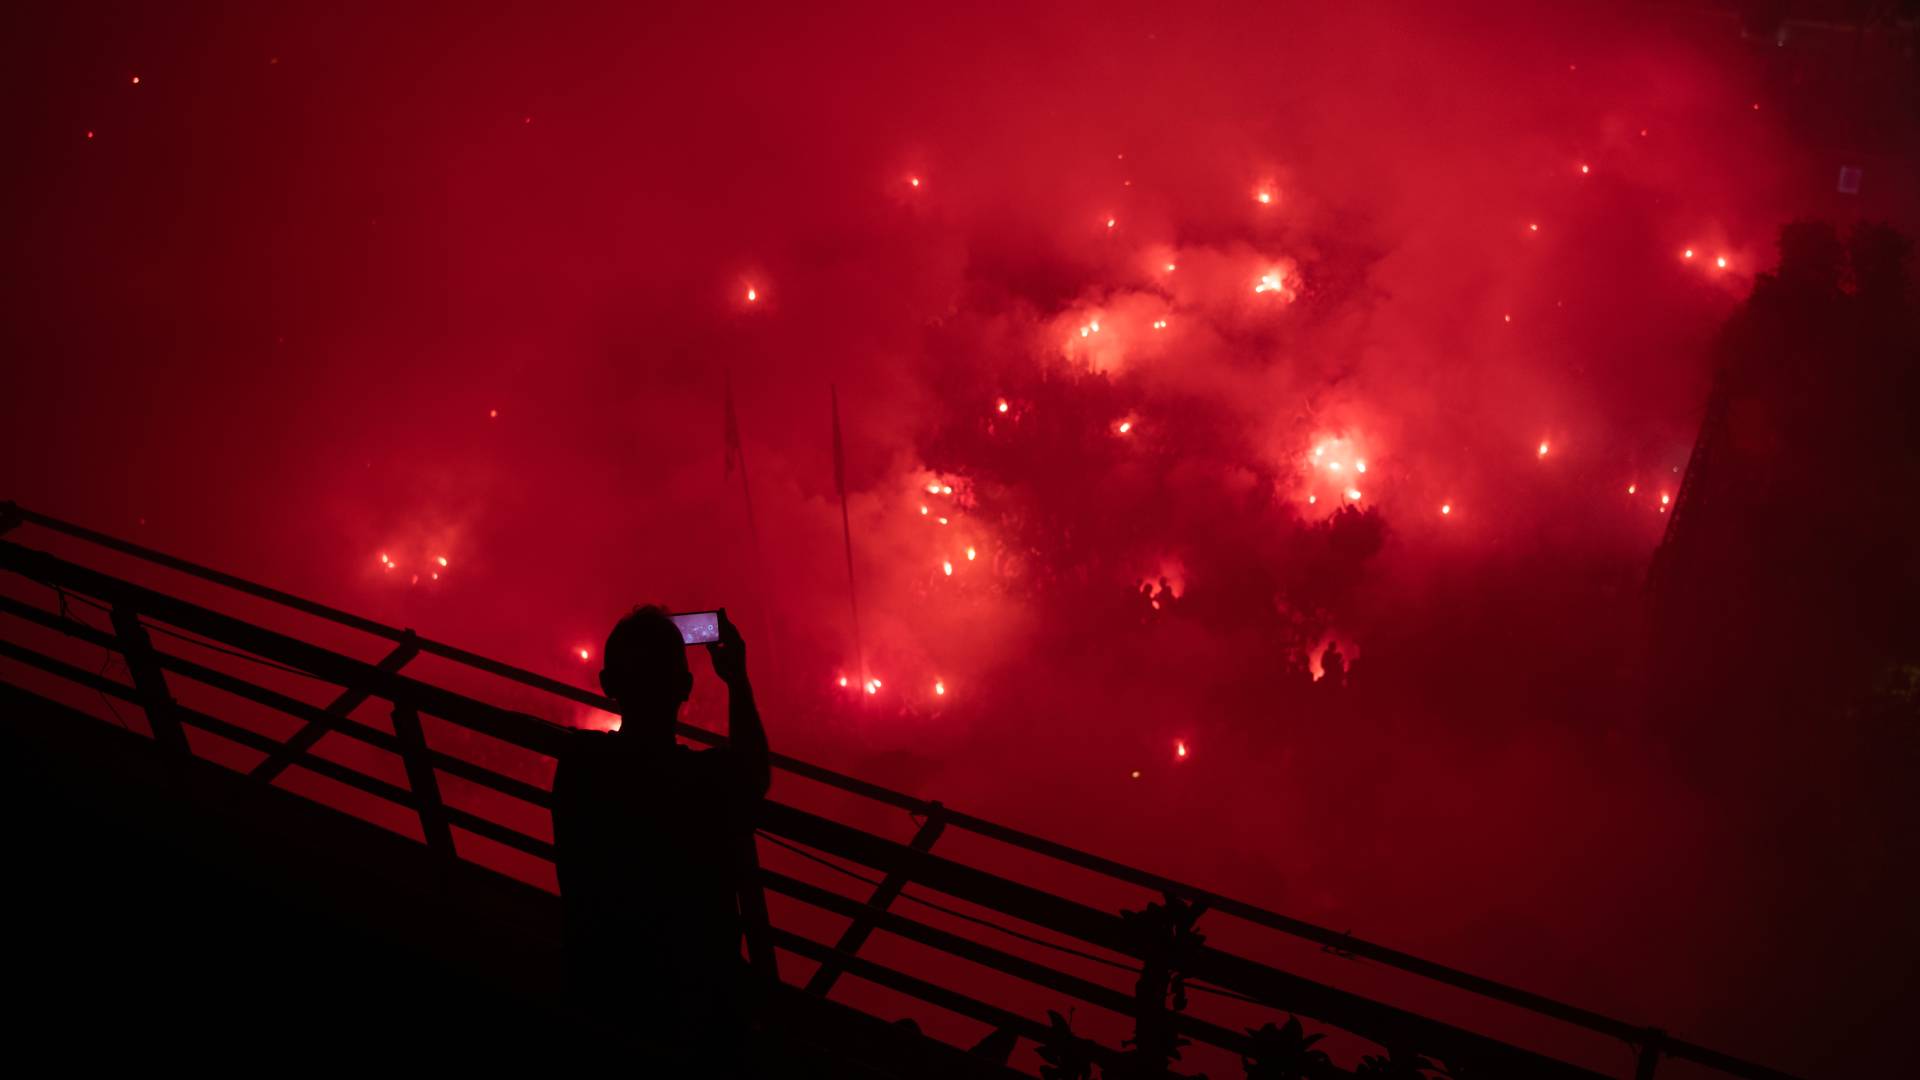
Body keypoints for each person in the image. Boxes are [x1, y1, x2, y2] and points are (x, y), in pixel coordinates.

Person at [551, 606, 771, 1072]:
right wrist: (737, 679)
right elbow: (753, 772)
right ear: (686, 687)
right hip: (697, 1006)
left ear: (608, 684)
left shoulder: (579, 764)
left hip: (599, 986)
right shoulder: (703, 779)